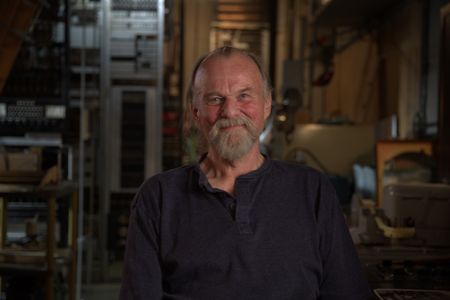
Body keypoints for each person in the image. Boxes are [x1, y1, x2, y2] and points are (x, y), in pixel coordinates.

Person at [120, 46, 372, 299]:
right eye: (215, 99)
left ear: (267, 105)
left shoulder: (313, 192)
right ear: (196, 112)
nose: (230, 111)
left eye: (244, 96)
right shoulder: (158, 199)